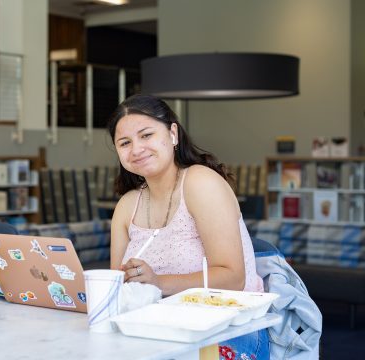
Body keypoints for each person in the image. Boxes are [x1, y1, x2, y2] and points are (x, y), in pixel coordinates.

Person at [108, 94, 267, 359]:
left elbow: (233, 277)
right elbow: (118, 286)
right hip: (159, 330)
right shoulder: (127, 205)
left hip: (228, 329)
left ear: (172, 133)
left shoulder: (200, 182)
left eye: (146, 135)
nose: (136, 149)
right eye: (125, 143)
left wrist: (158, 282)